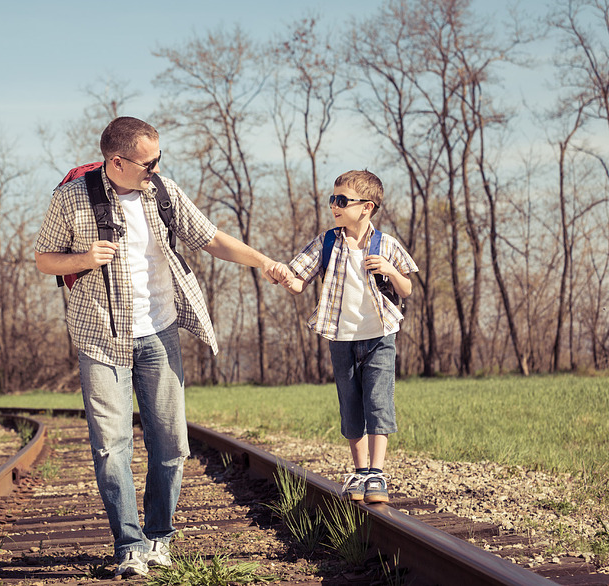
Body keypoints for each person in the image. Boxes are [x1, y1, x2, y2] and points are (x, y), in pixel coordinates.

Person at [34, 116, 282, 578]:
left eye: (158, 159)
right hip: (101, 337)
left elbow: (211, 239)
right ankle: (129, 545)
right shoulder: (71, 198)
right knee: (112, 446)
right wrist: (85, 260)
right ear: (117, 161)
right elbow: (43, 258)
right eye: (149, 162)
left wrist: (264, 262)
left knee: (170, 444)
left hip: (159, 332)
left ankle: (159, 537)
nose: (156, 168)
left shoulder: (161, 191)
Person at [268, 170, 418, 505]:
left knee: (378, 402)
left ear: (366, 207)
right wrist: (281, 275)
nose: (334, 205)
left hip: (379, 336)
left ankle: (377, 472)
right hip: (341, 337)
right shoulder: (327, 242)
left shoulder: (387, 244)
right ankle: (360, 470)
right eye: (333, 199)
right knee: (350, 404)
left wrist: (391, 270)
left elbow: (406, 288)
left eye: (342, 201)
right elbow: (297, 282)